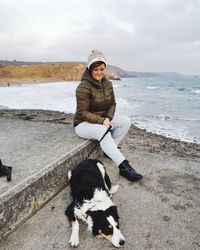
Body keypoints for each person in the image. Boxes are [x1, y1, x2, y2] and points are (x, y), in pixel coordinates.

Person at [73, 49, 143, 182]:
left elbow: (113, 104)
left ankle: (109, 150)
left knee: (125, 121)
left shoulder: (108, 84)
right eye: (95, 69)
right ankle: (124, 167)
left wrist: (108, 119)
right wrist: (101, 121)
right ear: (90, 69)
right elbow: (82, 112)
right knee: (103, 129)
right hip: (83, 124)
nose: (99, 72)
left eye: (101, 69)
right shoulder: (83, 87)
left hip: (102, 120)